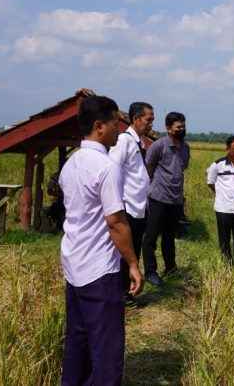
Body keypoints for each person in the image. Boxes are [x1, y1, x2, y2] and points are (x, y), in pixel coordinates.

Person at [59, 95, 144, 384]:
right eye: (114, 124)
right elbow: (116, 222)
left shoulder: (70, 165)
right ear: (99, 126)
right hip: (99, 270)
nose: (119, 130)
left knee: (78, 342)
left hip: (73, 265)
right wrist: (133, 264)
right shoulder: (106, 167)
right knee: (107, 351)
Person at [108, 102, 154, 305]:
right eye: (148, 120)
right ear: (136, 119)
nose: (151, 124)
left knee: (133, 249)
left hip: (139, 206)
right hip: (127, 205)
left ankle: (128, 292)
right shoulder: (124, 142)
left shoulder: (140, 143)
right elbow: (112, 170)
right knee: (125, 253)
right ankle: (120, 295)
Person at [142, 111, 190, 286]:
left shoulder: (185, 147)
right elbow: (149, 166)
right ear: (169, 129)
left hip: (175, 200)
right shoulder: (159, 146)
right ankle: (150, 272)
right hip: (158, 198)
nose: (182, 129)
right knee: (151, 237)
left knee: (169, 237)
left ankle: (170, 268)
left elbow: (182, 168)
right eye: (178, 127)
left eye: (183, 126)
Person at [206, 136, 234, 267]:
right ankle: (227, 263)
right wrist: (220, 194)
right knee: (224, 238)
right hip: (223, 208)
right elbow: (210, 183)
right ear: (227, 149)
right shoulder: (217, 165)